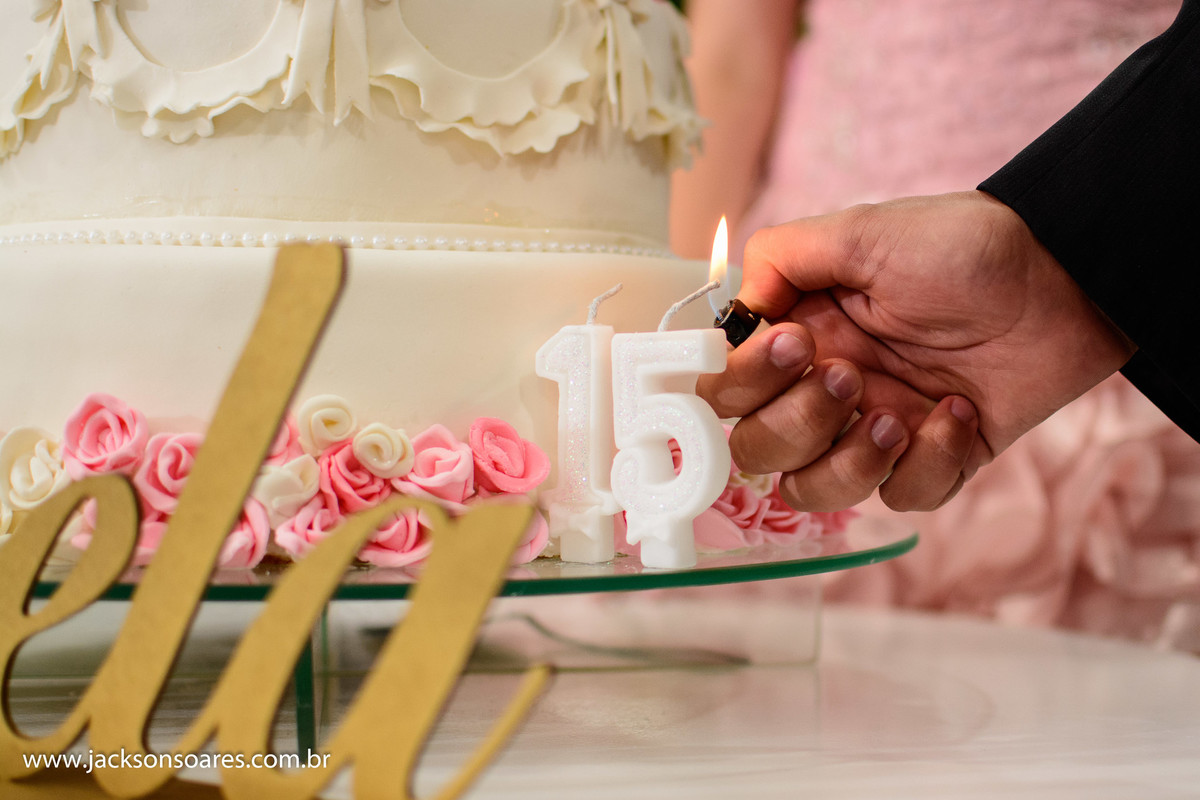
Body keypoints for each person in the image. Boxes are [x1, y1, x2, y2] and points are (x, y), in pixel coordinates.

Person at [678, 0, 1200, 646]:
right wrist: (676, 355)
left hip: (1145, 320)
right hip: (820, 290)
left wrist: (1077, 269)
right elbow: (730, 58)